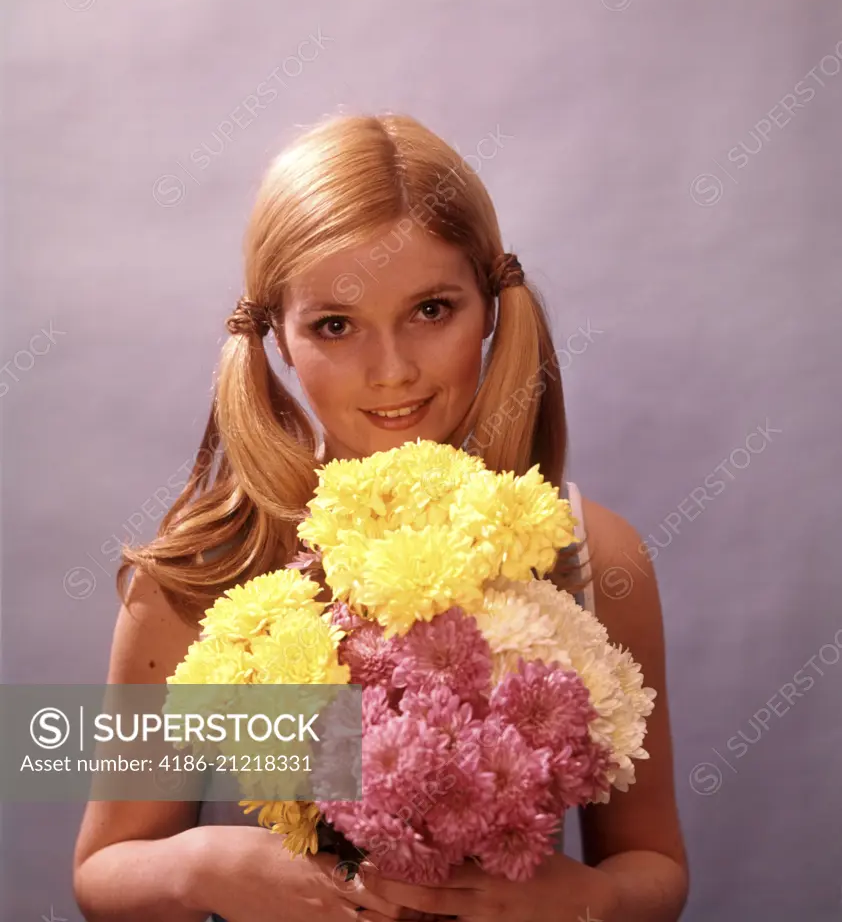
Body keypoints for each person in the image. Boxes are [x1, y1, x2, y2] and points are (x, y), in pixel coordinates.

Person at [72, 113, 689, 922]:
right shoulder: (206, 572)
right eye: (335, 325)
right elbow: (103, 870)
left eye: (432, 310)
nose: (393, 368)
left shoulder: (594, 557)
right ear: (278, 342)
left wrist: (593, 901)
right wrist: (197, 865)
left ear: (493, 308)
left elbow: (655, 863)